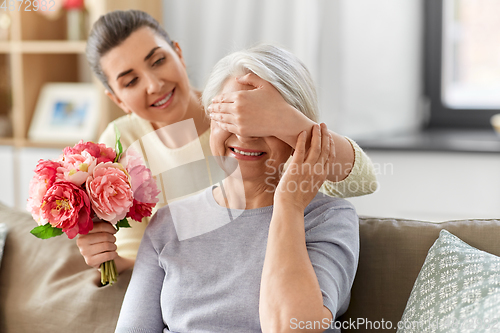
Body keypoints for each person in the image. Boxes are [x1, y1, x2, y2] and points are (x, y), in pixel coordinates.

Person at [77, 10, 375, 278]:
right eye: (130, 82)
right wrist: (108, 257)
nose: (154, 85)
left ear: (177, 53)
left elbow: (361, 181)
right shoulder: (120, 144)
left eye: (158, 61)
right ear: (116, 99)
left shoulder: (244, 102)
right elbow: (140, 259)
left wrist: (285, 119)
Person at [115, 44, 359, 333]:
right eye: (231, 114)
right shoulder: (167, 223)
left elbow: (293, 328)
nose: (243, 133)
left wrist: (289, 205)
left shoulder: (328, 218)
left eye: (264, 120)